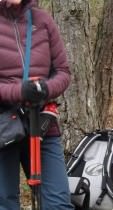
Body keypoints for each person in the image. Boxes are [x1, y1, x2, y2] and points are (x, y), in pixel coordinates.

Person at [0, 0, 73, 209]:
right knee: (4, 202)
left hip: (41, 124)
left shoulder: (42, 20)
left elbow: (63, 71)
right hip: (3, 127)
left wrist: (45, 89)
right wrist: (19, 91)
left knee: (58, 202)